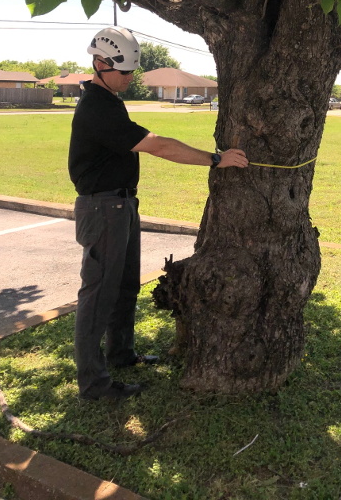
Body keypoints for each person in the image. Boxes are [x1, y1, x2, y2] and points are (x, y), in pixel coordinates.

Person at [68, 26, 248, 401]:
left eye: (133, 72)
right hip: (103, 208)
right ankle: (94, 385)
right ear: (100, 64)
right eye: (123, 72)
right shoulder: (97, 107)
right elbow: (158, 146)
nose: (130, 79)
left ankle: (121, 355)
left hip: (121, 204)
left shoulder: (110, 101)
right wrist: (216, 160)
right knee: (99, 295)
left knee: (125, 288)